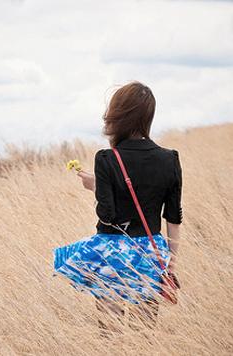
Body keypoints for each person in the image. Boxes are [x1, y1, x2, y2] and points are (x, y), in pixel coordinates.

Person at [76, 81, 182, 332]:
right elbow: (173, 216)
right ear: (148, 117)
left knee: (110, 334)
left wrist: (96, 187)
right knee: (143, 334)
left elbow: (108, 215)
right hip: (150, 252)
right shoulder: (170, 159)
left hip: (112, 252)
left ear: (117, 115)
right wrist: (171, 263)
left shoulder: (106, 159)